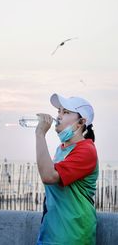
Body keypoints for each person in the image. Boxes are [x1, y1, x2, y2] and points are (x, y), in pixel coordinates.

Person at [35, 93, 99, 245]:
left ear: (80, 122)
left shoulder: (86, 150)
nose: (59, 116)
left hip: (72, 236)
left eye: (66, 112)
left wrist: (40, 135)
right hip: (50, 233)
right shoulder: (61, 149)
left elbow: (49, 176)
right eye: (59, 111)